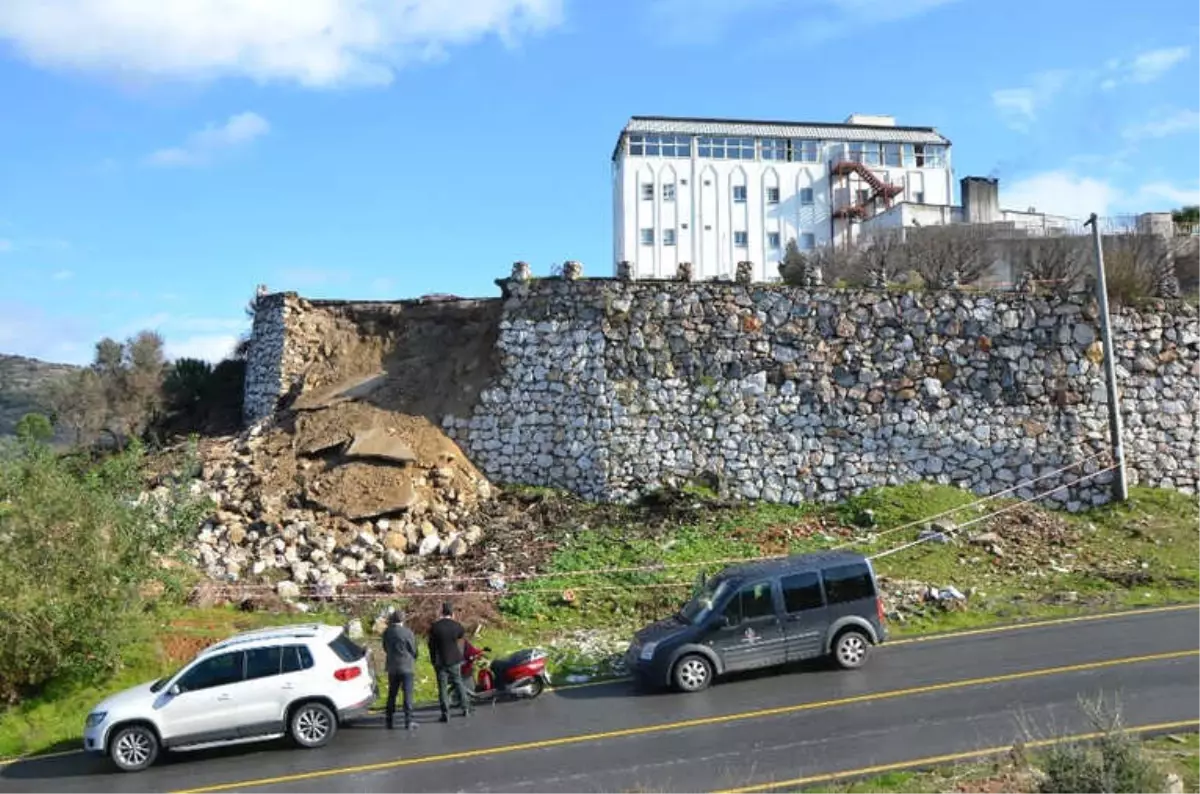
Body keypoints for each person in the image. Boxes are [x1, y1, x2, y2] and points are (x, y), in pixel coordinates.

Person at [428, 601, 472, 722]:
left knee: (442, 687)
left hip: (440, 660)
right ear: (452, 613)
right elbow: (461, 637)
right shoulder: (456, 626)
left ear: (441, 612)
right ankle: (465, 708)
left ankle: (445, 713)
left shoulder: (435, 627)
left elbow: (431, 645)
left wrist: (433, 659)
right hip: (454, 659)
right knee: (458, 683)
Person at [382, 609, 418, 731]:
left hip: (392, 666)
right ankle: (408, 721)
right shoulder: (407, 633)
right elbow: (413, 649)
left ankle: (389, 719)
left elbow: (385, 648)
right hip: (407, 666)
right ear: (403, 620)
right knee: (407, 694)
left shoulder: (387, 632)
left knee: (392, 693)